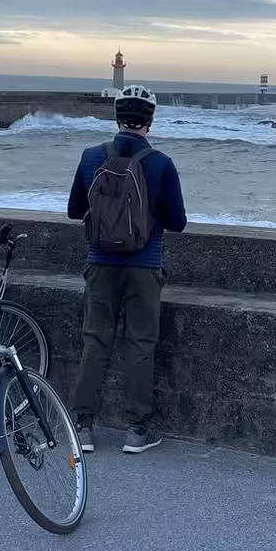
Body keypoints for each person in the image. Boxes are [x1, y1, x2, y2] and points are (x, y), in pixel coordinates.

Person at [66, 84, 187, 454]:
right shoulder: (160, 163)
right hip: (144, 267)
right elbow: (177, 222)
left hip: (100, 264)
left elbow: (74, 210)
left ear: (116, 118)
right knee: (140, 345)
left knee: (94, 342)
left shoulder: (90, 157)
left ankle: (83, 427)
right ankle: (137, 430)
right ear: (149, 121)